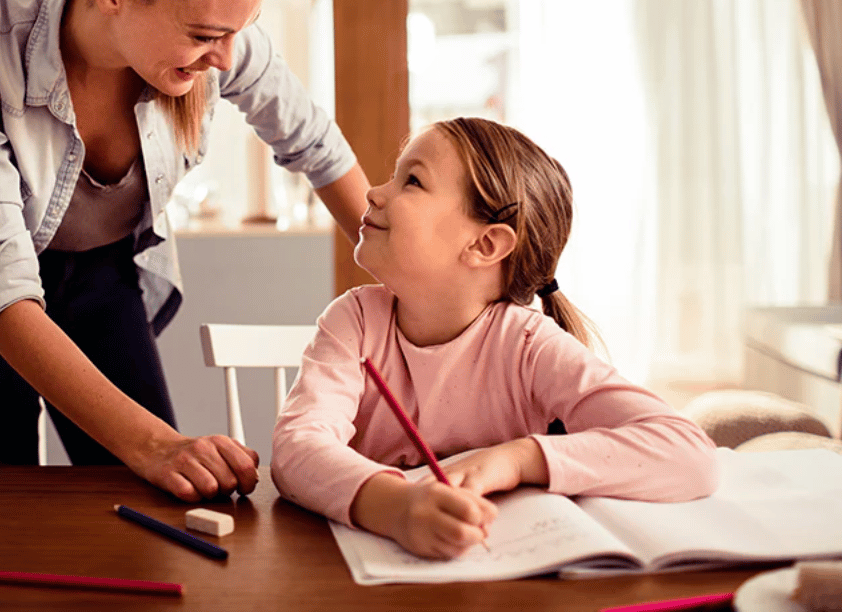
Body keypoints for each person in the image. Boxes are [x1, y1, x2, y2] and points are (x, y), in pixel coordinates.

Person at [0, 0, 370, 502]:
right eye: (205, 36)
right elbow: (1, 287)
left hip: (103, 268)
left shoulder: (222, 40)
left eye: (238, 33)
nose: (226, 58)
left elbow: (319, 149)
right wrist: (155, 445)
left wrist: (411, 282)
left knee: (153, 503)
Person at [271, 117, 718, 559]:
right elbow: (296, 450)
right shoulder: (355, 321)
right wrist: (397, 510)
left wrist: (518, 459)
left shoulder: (528, 345)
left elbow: (688, 454)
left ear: (485, 245)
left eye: (411, 181)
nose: (374, 192)